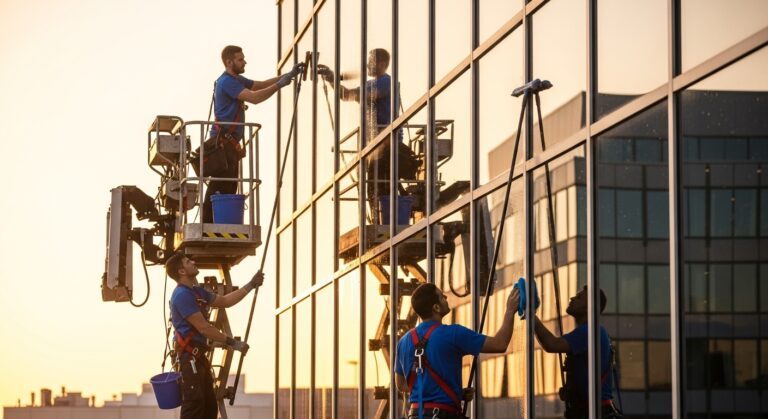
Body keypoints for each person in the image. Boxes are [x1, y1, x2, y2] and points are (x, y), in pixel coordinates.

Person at [202, 45, 304, 223]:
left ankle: (217, 223)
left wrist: (288, 75)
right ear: (229, 62)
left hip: (228, 144)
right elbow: (254, 98)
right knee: (220, 185)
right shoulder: (227, 82)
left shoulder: (237, 80)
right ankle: (210, 224)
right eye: (240, 59)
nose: (244, 62)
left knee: (228, 185)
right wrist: (281, 84)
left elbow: (260, 85)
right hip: (222, 143)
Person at [318, 49, 420, 221]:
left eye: (371, 61)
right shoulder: (373, 84)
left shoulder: (386, 83)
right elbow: (347, 95)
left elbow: (357, 94)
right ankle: (381, 218)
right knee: (374, 186)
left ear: (382, 64)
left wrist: (335, 78)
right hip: (376, 147)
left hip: (386, 145)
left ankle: (387, 219)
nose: (367, 65)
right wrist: (331, 79)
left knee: (381, 185)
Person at [394, 283, 520, 419]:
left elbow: (401, 385)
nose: (446, 297)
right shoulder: (453, 334)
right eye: (442, 297)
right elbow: (499, 344)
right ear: (436, 307)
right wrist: (510, 310)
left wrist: (451, 392)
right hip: (443, 415)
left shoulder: (404, 341)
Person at [165, 252, 264, 418]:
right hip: (190, 358)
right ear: (182, 271)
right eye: (188, 261)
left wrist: (250, 285)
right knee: (194, 404)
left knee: (209, 406)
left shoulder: (196, 292)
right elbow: (204, 328)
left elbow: (225, 301)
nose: (193, 261)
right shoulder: (182, 296)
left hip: (197, 358)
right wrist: (232, 343)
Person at [533, 286, 622, 419]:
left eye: (579, 297)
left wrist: (531, 315)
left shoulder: (589, 332)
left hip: (592, 412)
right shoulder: (594, 332)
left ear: (589, 307)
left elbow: (551, 344)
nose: (572, 298)